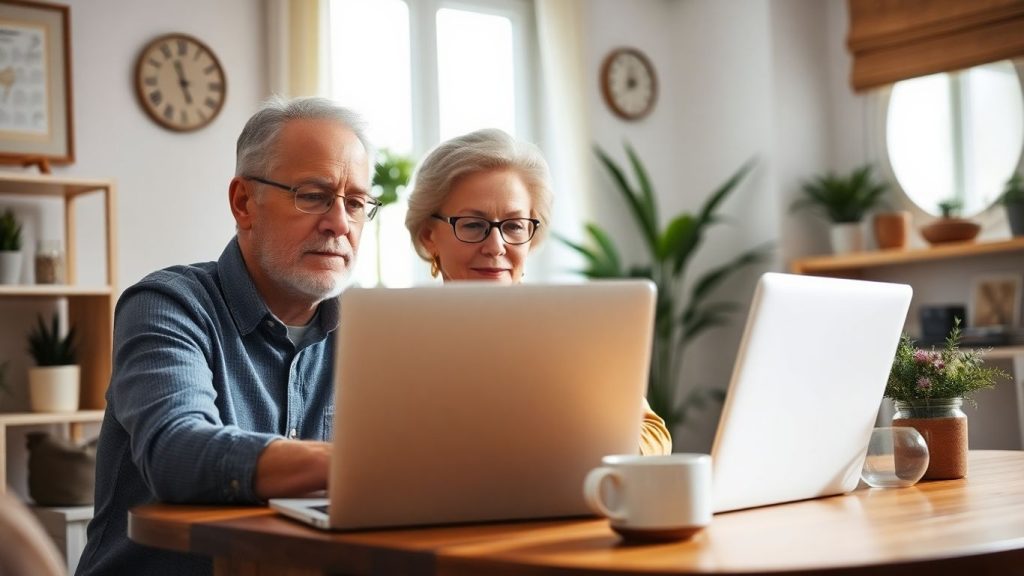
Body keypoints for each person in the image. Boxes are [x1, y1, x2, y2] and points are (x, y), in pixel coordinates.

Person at [76, 96, 376, 576]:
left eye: (356, 202)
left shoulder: (373, 330)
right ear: (243, 203)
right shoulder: (167, 304)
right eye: (313, 195)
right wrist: (366, 466)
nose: (340, 223)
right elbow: (177, 450)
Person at [405, 128, 672, 455]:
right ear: (429, 234)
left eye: (514, 225)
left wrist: (575, 448)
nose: (496, 246)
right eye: (473, 225)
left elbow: (653, 433)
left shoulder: (566, 332)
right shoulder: (399, 338)